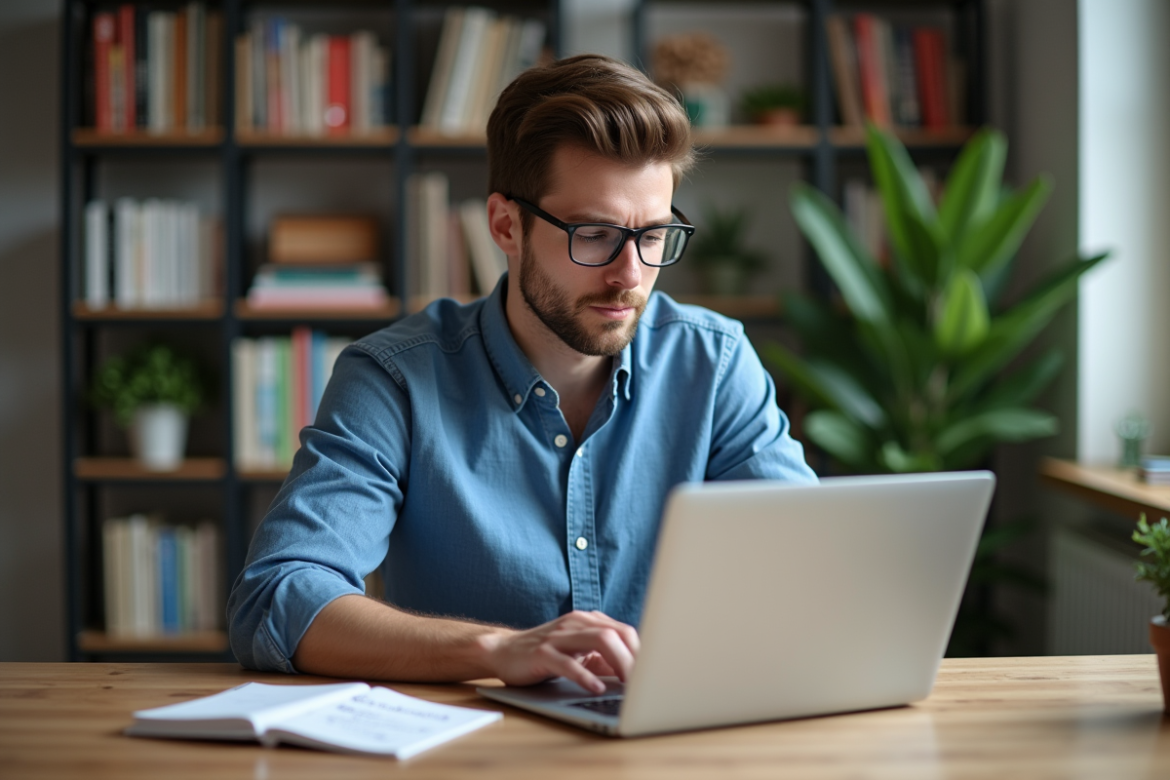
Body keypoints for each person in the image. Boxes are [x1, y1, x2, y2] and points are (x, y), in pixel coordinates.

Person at [227, 54, 816, 695]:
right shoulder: (394, 380)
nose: (629, 275)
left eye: (653, 236)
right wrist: (498, 650)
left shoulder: (715, 364)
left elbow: (811, 570)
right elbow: (278, 598)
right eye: (594, 234)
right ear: (507, 226)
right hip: (470, 751)